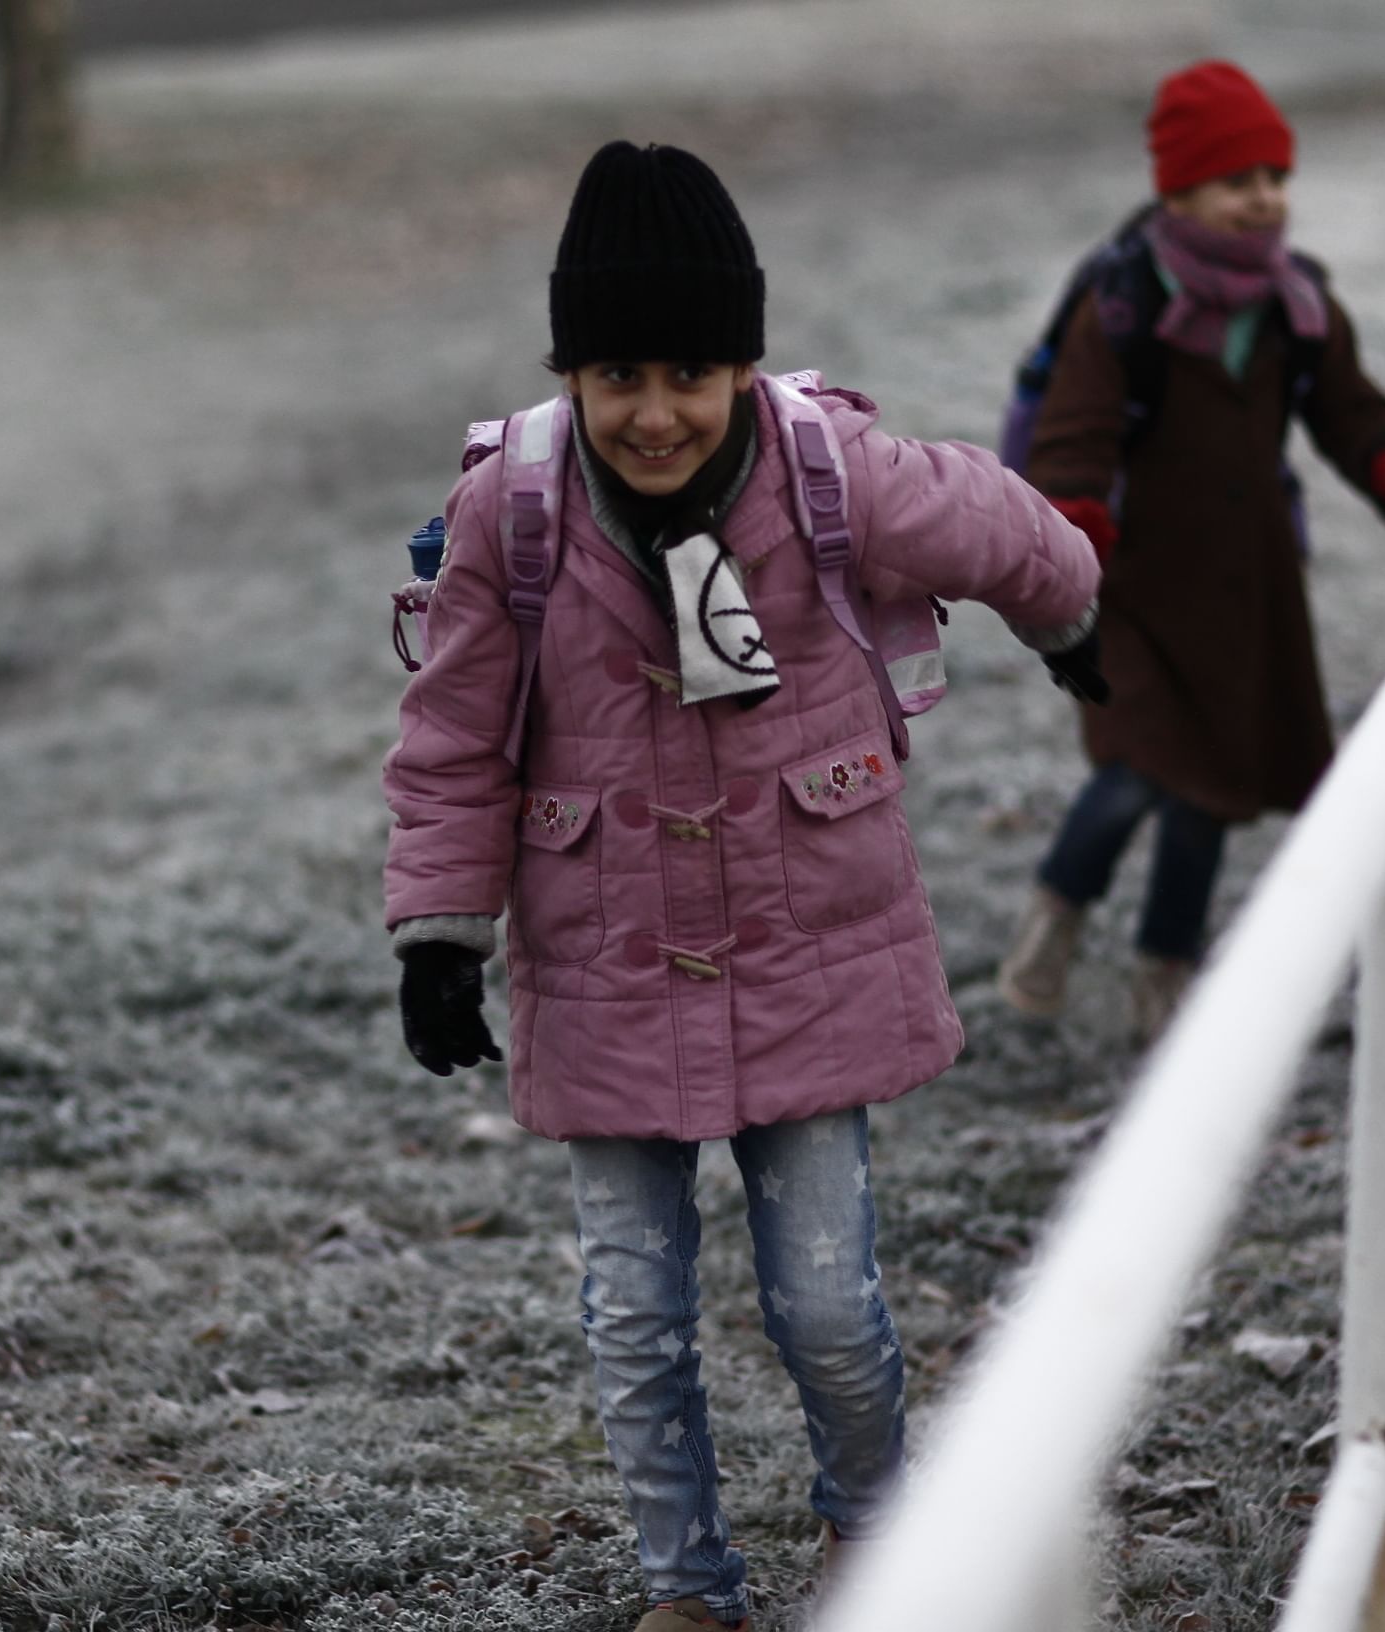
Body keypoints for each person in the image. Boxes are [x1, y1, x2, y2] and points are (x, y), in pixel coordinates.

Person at [380, 139, 1103, 1631]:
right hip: (603, 962)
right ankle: (687, 1589)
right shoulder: (513, 516)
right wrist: (438, 935)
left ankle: (876, 1535)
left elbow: (997, 521)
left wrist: (1072, 619)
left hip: (806, 953)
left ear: (744, 367)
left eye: (692, 374)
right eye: (618, 376)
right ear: (570, 373)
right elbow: (451, 736)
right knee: (634, 1318)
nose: (656, 413)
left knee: (828, 1305)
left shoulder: (832, 473)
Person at [995, 59, 1385, 1044]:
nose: (1263, 199)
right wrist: (1072, 516)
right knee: (1137, 767)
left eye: (1275, 177)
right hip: (1130, 590)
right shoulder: (1124, 305)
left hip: (1248, 593)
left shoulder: (1298, 304)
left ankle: (1163, 975)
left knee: (1212, 793)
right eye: (1236, 180)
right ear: (1178, 192)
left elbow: (1349, 411)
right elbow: (1074, 432)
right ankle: (1055, 913)